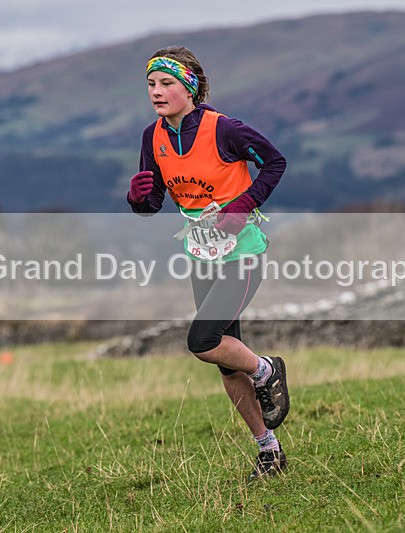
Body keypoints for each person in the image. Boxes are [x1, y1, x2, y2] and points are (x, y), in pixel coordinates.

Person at [127, 46, 290, 481]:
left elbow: (276, 162)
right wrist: (138, 198)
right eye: (151, 84)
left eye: (166, 83)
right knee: (224, 359)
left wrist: (243, 206)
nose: (156, 92)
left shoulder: (225, 130)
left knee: (202, 340)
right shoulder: (153, 137)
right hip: (201, 256)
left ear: (191, 87)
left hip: (242, 253)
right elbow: (153, 203)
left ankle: (267, 370)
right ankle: (268, 450)